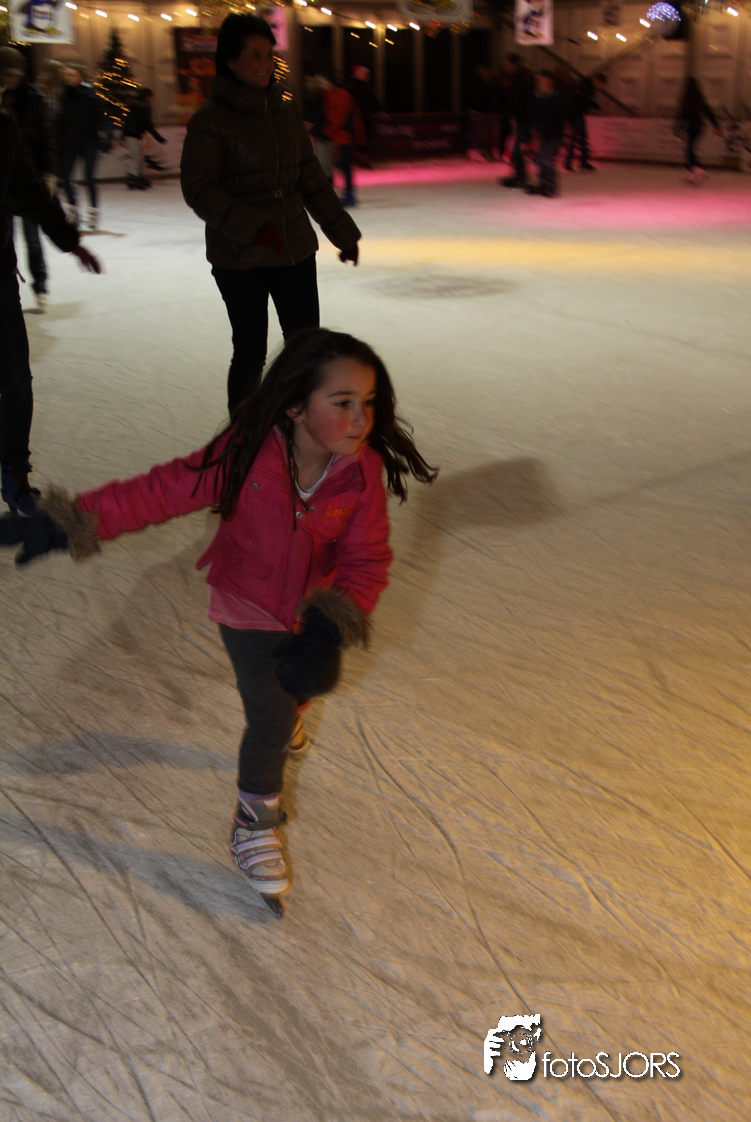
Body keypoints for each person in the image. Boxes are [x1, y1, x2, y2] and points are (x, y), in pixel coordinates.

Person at [0, 328, 438, 912]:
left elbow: (367, 558)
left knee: (293, 688)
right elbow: (163, 490)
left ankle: (291, 712)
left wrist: (332, 623)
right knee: (270, 715)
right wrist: (73, 519)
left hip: (308, 605)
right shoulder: (247, 452)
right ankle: (254, 824)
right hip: (246, 604)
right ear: (295, 406)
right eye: (343, 402)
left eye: (369, 402)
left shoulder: (361, 472)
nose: (361, 418)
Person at [181, 14, 361, 414]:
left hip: (294, 246)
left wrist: (342, 232)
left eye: (269, 54)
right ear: (231, 61)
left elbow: (310, 178)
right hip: (239, 256)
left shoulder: (284, 113)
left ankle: (303, 432)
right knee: (250, 352)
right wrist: (251, 228)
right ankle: (244, 438)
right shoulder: (210, 121)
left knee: (307, 349)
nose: (266, 63)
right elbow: (198, 188)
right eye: (255, 55)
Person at [0, 108, 101, 514]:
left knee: (16, 381)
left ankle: (15, 474)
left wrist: (70, 241)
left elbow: (31, 192)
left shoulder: (3, 128)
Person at [0, 46, 57, 311]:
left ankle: (41, 284)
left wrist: (48, 173)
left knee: (33, 237)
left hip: (27, 179)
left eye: (15, 74)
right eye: (7, 74)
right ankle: (8, 285)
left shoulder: (33, 98)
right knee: (5, 238)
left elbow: (47, 138)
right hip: (4, 184)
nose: (12, 79)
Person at [57, 61, 112, 230]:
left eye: (71, 75)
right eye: (66, 75)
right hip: (69, 142)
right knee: (65, 177)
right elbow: (59, 120)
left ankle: (93, 211)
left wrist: (107, 137)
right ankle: (73, 209)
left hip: (89, 142)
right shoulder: (62, 95)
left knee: (89, 178)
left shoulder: (91, 96)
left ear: (80, 77)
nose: (68, 78)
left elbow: (105, 119)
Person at [323, 73, 363, 207]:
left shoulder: (339, 94)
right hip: (342, 134)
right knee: (343, 165)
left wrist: (328, 129)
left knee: (345, 165)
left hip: (345, 135)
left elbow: (340, 116)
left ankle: (349, 195)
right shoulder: (332, 94)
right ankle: (348, 194)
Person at [525, 70, 565, 197]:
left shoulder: (556, 96)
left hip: (553, 133)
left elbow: (556, 115)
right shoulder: (539, 96)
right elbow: (534, 113)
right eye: (538, 81)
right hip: (543, 132)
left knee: (545, 157)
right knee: (542, 157)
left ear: (549, 82)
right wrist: (537, 98)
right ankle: (543, 180)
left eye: (541, 81)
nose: (539, 83)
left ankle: (550, 180)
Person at [675, 76, 721, 184]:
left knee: (689, 149)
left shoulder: (686, 100)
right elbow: (709, 112)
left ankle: (698, 169)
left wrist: (678, 128)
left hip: (691, 126)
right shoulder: (699, 99)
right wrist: (716, 125)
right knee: (690, 149)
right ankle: (692, 172)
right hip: (700, 126)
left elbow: (681, 116)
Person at [497, 55, 534, 189]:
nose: (506, 67)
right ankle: (519, 173)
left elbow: (519, 102)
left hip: (521, 119)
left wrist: (512, 116)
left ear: (513, 65)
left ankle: (521, 174)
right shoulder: (517, 79)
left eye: (508, 64)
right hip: (518, 119)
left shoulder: (519, 80)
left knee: (517, 147)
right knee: (515, 147)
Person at [122, 86, 166, 190]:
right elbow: (147, 124)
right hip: (133, 133)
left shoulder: (135, 106)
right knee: (136, 155)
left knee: (139, 155)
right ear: (147, 97)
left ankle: (137, 175)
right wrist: (158, 138)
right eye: (151, 97)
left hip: (132, 133)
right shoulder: (144, 108)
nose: (152, 99)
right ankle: (133, 177)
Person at [564, 73, 600, 173]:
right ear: (596, 80)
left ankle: (579, 162)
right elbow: (583, 101)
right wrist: (594, 105)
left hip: (576, 115)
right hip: (577, 115)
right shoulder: (587, 87)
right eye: (599, 84)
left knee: (581, 139)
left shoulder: (583, 85)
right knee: (577, 139)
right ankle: (571, 162)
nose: (599, 86)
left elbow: (581, 100)